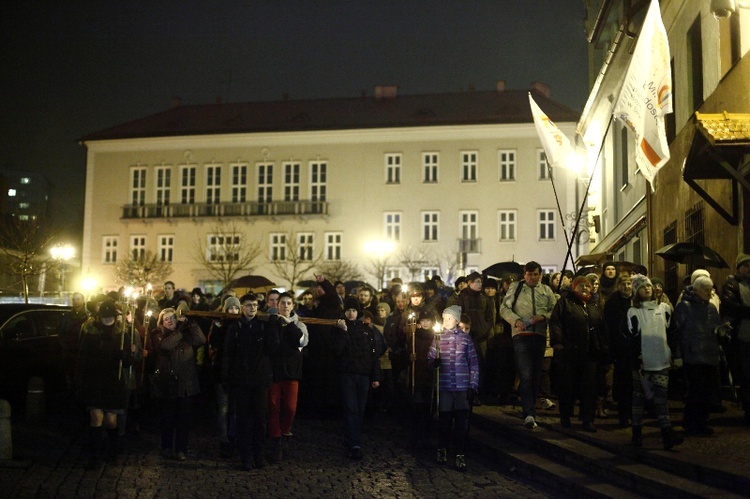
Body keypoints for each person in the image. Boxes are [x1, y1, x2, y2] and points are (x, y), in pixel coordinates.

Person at [76, 300, 139, 464]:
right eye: (104, 317)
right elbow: (82, 358)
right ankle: (94, 455)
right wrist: (81, 380)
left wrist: (126, 356)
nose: (107, 319)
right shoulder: (91, 334)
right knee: (95, 416)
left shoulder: (122, 335)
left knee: (111, 420)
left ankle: (112, 450)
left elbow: (127, 363)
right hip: (95, 381)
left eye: (110, 316)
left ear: (115, 317)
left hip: (114, 382)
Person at [624, 275, 683, 450]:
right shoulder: (633, 312)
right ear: (636, 291)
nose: (647, 289)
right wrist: (636, 357)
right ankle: (636, 433)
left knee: (661, 399)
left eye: (649, 286)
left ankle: (667, 434)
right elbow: (629, 337)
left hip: (661, 360)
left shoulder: (664, 308)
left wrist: (676, 355)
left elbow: (672, 333)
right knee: (639, 399)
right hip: (642, 363)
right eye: (642, 287)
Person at [500, 261, 557, 429]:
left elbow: (554, 309)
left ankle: (531, 408)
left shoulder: (546, 290)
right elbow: (504, 308)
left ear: (540, 275)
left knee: (536, 374)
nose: (531, 277)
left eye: (535, 274)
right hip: (521, 336)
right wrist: (515, 321)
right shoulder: (516, 288)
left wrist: (543, 317)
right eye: (528, 274)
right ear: (524, 274)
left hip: (539, 335)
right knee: (525, 374)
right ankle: (529, 412)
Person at [145, 306, 205, 461]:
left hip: (186, 383)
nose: (170, 321)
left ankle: (181, 449)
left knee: (184, 419)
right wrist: (181, 329)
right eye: (166, 319)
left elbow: (201, 340)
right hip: (167, 383)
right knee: (167, 418)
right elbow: (166, 346)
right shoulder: (158, 333)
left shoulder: (186, 333)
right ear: (162, 321)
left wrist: (191, 324)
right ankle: (166, 447)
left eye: (172, 318)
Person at [428, 305, 479, 472]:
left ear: (456, 320)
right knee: (444, 421)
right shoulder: (438, 338)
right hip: (445, 386)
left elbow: (473, 363)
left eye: (449, 318)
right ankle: (442, 449)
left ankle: (460, 453)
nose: (446, 321)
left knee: (461, 423)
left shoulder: (466, 340)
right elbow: (430, 358)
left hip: (462, 387)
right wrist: (433, 362)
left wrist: (473, 384)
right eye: (444, 318)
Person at [332, 297, 381, 460]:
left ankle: (351, 438)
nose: (351, 313)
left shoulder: (365, 330)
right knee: (351, 408)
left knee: (359, 409)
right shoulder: (339, 329)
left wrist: (375, 376)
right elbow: (338, 350)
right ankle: (355, 443)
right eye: (348, 311)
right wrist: (343, 332)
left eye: (353, 310)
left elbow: (373, 354)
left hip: (363, 375)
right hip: (347, 374)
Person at [550, 276, 602, 432]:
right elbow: (556, 322)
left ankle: (587, 419)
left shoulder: (595, 303)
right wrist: (559, 342)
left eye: (587, 286)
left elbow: (601, 323)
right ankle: (565, 416)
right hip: (570, 351)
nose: (585, 288)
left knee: (589, 387)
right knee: (568, 386)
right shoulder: (565, 303)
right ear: (574, 288)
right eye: (581, 286)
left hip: (590, 351)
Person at [674, 276, 723, 436]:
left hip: (709, 354)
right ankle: (691, 422)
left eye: (710, 289)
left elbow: (715, 328)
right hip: (692, 355)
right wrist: (678, 355)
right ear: (695, 290)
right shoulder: (684, 307)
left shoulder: (711, 308)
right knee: (696, 391)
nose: (709, 293)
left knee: (707, 391)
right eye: (705, 289)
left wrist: (721, 332)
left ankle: (702, 422)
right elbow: (676, 332)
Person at [268, 292, 309, 462]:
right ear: (278, 305)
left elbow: (302, 341)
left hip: (292, 372)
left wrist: (289, 325)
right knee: (273, 406)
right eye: (282, 303)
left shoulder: (299, 325)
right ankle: (276, 441)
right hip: (275, 372)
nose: (285, 306)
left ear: (293, 306)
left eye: (288, 303)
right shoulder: (271, 323)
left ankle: (285, 431)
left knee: (290, 408)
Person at [447, 271, 493, 405]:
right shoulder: (460, 298)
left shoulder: (484, 298)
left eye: (480, 282)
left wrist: (484, 330)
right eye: (476, 282)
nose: (480, 284)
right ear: (469, 283)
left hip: (481, 337)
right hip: (465, 337)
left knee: (479, 365)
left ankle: (476, 393)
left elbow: (490, 317)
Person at [207, 296, 241, 457]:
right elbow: (213, 344)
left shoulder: (241, 325)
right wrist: (219, 328)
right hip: (221, 372)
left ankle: (233, 437)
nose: (233, 311)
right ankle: (224, 440)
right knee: (224, 409)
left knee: (234, 410)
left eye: (236, 308)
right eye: (231, 308)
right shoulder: (218, 326)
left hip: (237, 373)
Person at [720, 253, 750, 425]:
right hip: (742, 336)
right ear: (739, 268)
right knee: (746, 376)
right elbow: (730, 305)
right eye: (746, 265)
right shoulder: (732, 284)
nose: (749, 269)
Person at [603, 273, 634, 426]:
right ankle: (623, 415)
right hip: (620, 346)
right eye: (624, 284)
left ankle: (633, 413)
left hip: (634, 346)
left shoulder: (636, 301)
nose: (627, 287)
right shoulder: (613, 303)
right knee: (623, 381)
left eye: (629, 284)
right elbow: (609, 326)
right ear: (618, 286)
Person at [409, 309, 437, 448]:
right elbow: (409, 351)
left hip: (429, 375)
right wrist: (410, 356)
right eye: (423, 321)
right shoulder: (415, 336)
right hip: (418, 374)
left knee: (428, 406)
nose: (425, 323)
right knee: (417, 405)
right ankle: (416, 434)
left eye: (428, 321)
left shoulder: (435, 337)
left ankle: (427, 434)